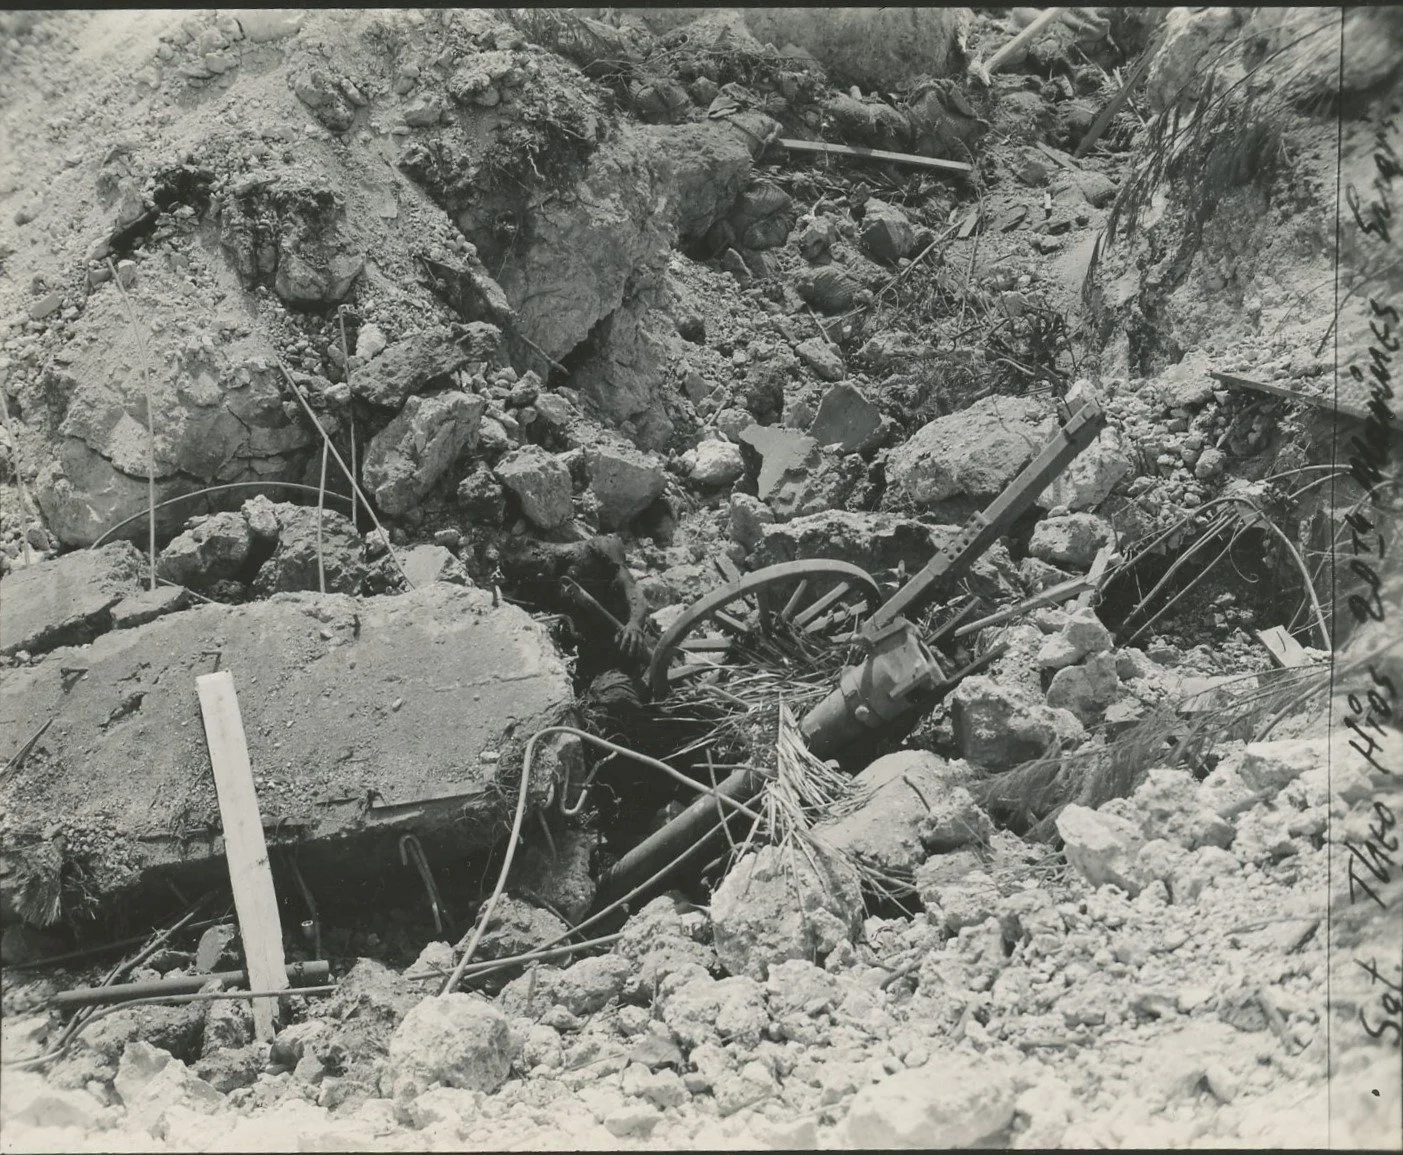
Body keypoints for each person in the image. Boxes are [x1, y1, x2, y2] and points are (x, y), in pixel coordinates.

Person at [496, 533, 652, 680]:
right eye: (528, 576)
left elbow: (631, 587)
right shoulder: (543, 584)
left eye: (533, 568)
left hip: (638, 638)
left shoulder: (599, 548)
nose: (538, 576)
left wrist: (635, 623)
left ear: (535, 547)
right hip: (602, 660)